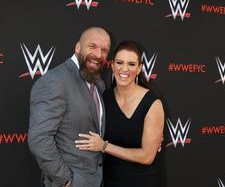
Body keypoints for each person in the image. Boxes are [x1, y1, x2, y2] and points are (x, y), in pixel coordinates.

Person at [28, 27, 111, 187]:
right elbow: (39, 139)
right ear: (78, 47)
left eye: (104, 50)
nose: (99, 55)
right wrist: (65, 180)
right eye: (92, 46)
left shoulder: (98, 83)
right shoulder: (55, 81)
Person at [75, 40, 165, 187]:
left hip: (144, 181)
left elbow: (147, 156)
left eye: (131, 64)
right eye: (119, 62)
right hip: (111, 180)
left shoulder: (152, 103)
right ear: (112, 65)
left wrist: (104, 146)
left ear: (139, 69)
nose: (124, 69)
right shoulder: (104, 97)